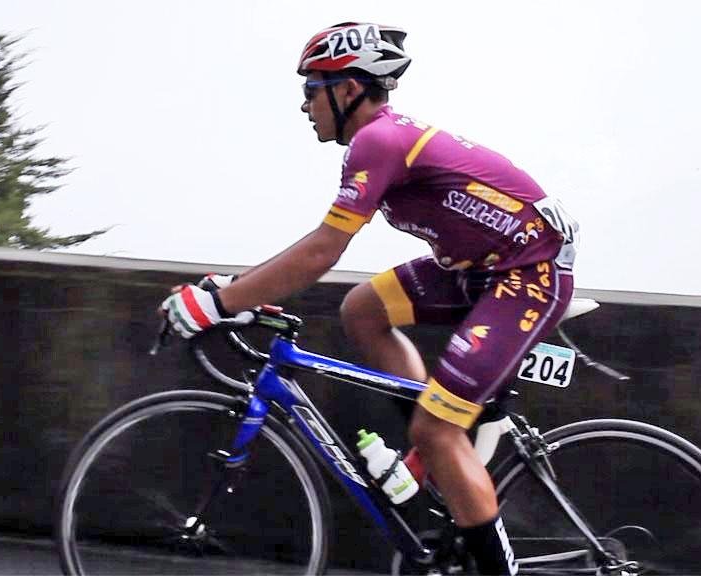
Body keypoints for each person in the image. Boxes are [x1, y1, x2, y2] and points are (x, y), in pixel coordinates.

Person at [161, 22, 579, 576]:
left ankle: (444, 470)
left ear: (348, 87)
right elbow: (313, 245)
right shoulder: (377, 140)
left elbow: (322, 252)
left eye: (311, 89)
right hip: (475, 269)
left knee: (438, 429)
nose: (305, 105)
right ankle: (423, 461)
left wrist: (219, 305)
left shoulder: (379, 141)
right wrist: (232, 291)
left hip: (528, 272)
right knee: (364, 308)